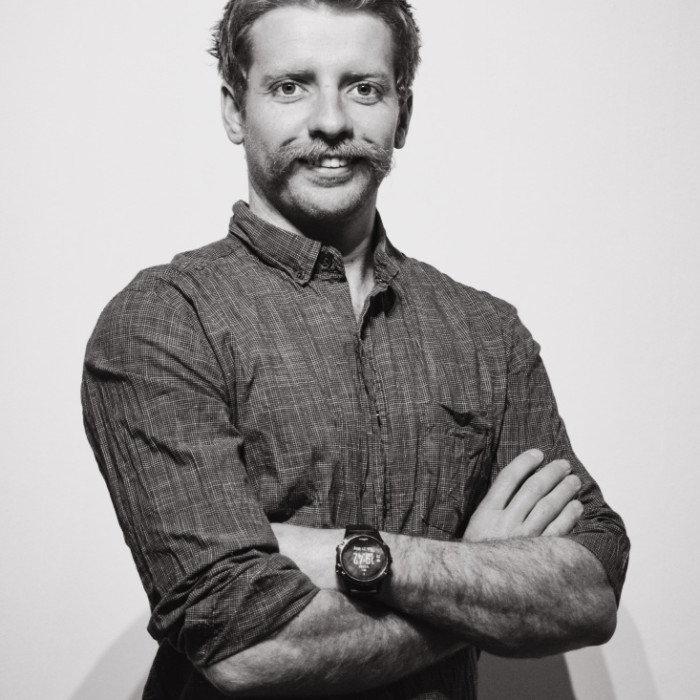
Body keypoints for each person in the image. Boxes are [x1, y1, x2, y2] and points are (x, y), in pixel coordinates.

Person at [82, 1, 630, 698]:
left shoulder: (488, 333)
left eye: (364, 88)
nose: (332, 121)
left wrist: (347, 554)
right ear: (233, 110)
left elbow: (592, 589)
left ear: (403, 113)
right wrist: (482, 579)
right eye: (290, 86)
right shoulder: (164, 321)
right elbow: (245, 646)